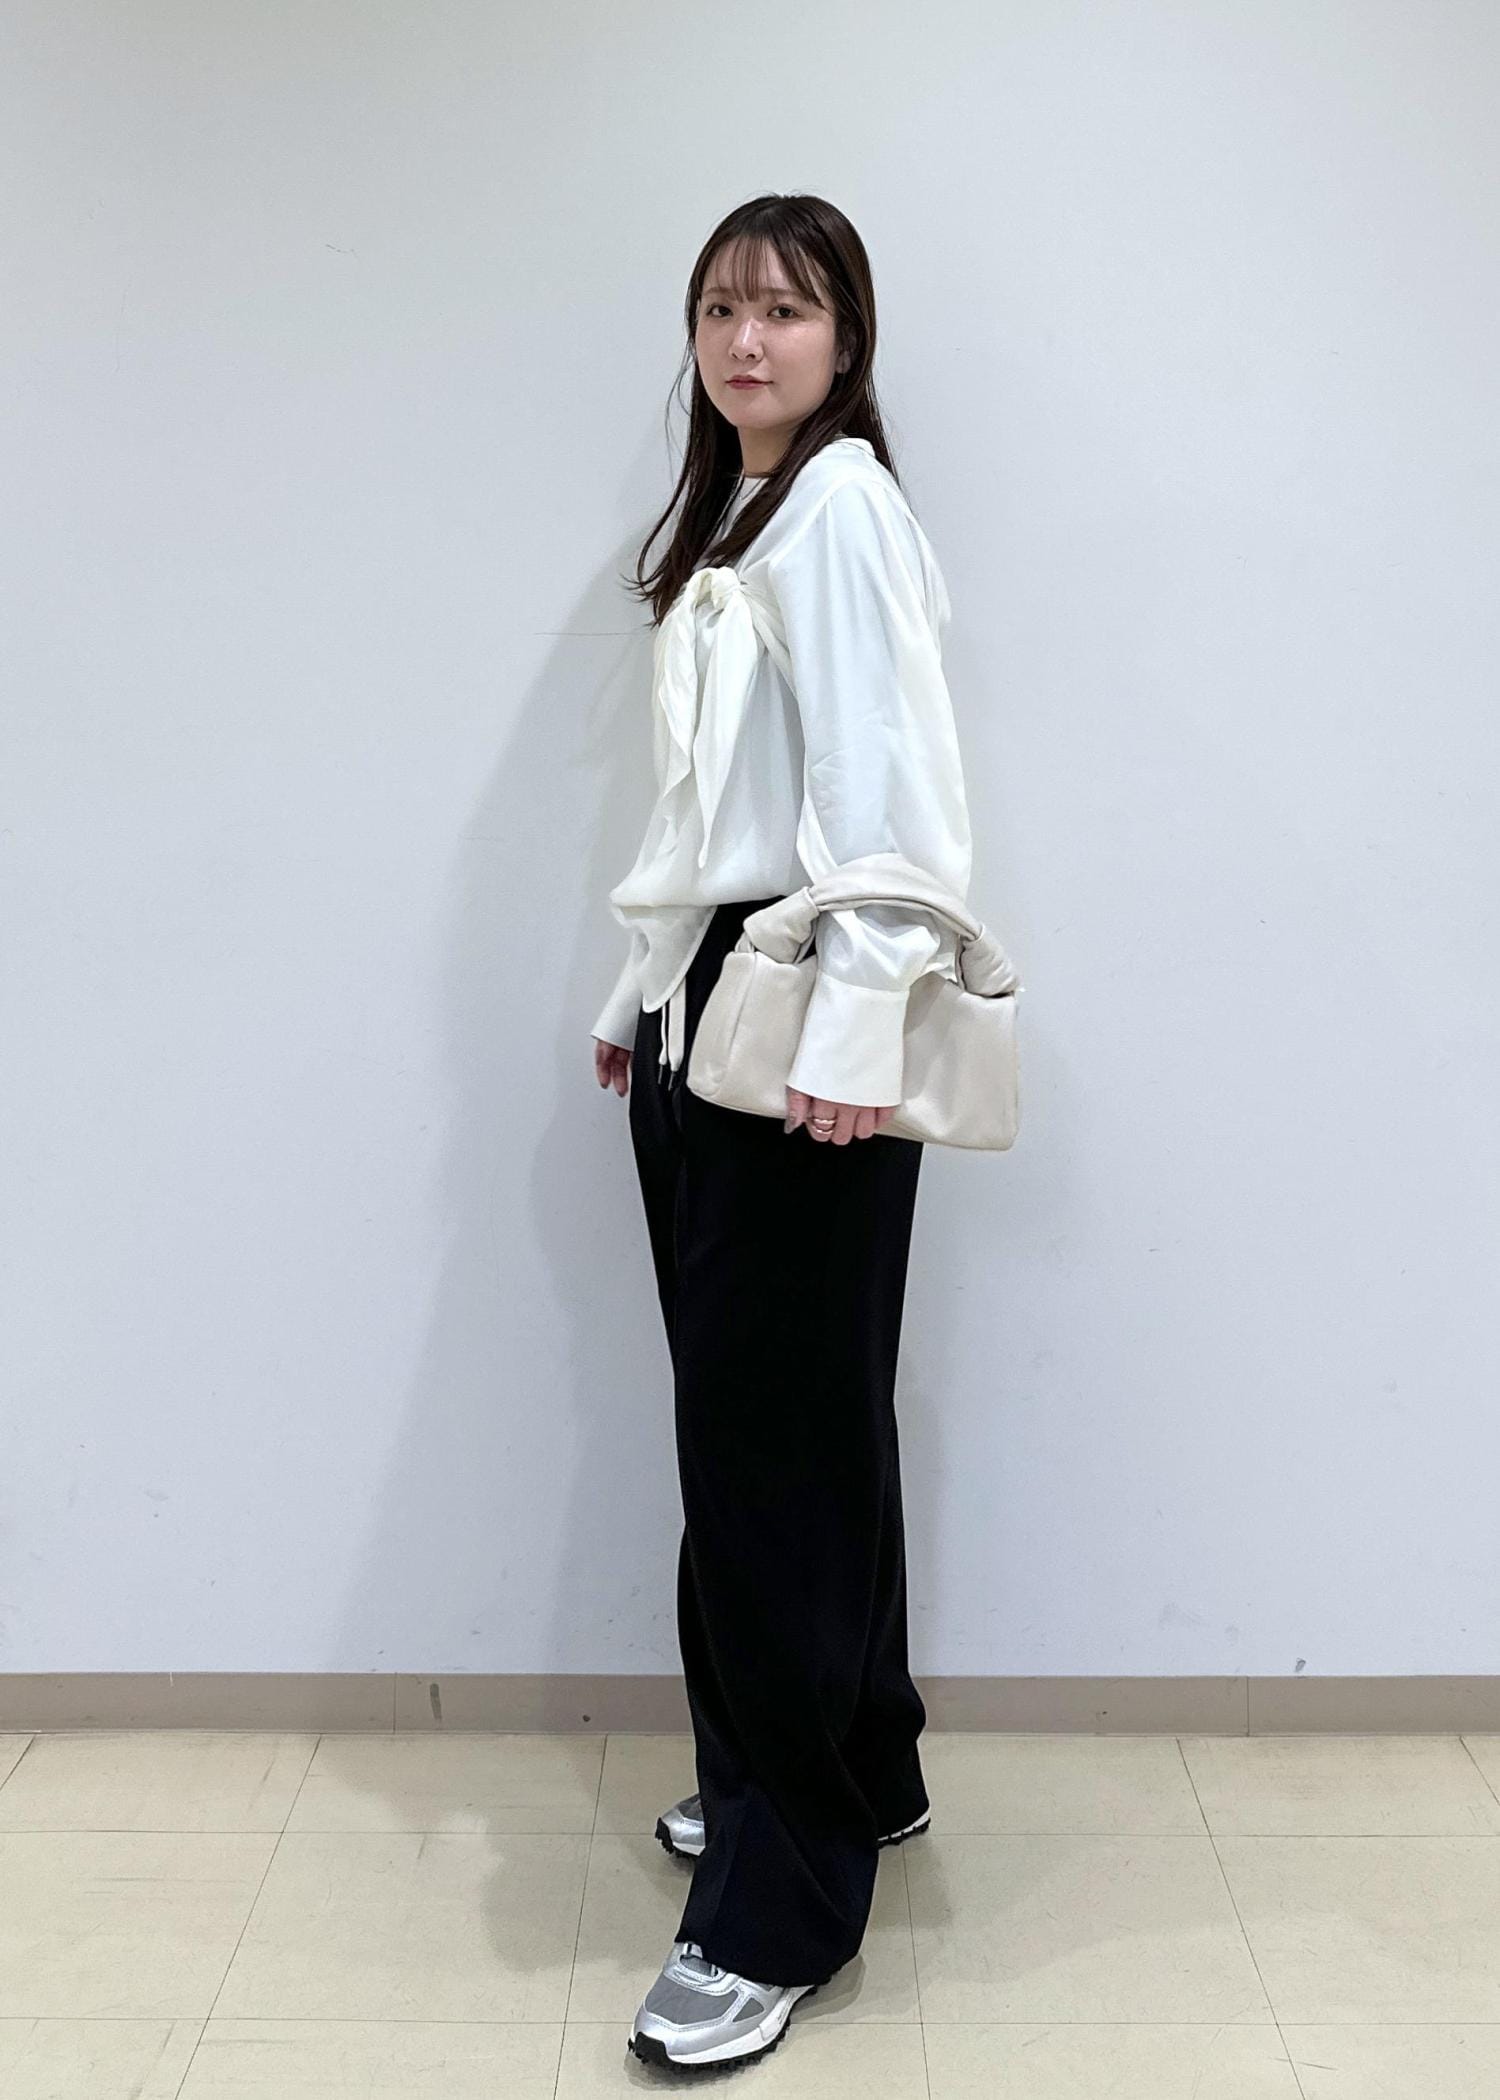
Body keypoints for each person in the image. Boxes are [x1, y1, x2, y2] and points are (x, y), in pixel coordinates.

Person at [589, 193, 974, 2073]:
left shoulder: (842, 511)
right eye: (721, 311)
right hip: (712, 1013)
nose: (749, 343)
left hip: (801, 1024)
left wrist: (858, 1020)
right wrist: (632, 995)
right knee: (794, 1436)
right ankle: (848, 1768)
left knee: (771, 1464)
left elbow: (893, 793)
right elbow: (705, 805)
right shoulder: (741, 516)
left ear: (847, 339)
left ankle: (778, 1898)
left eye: (789, 311)